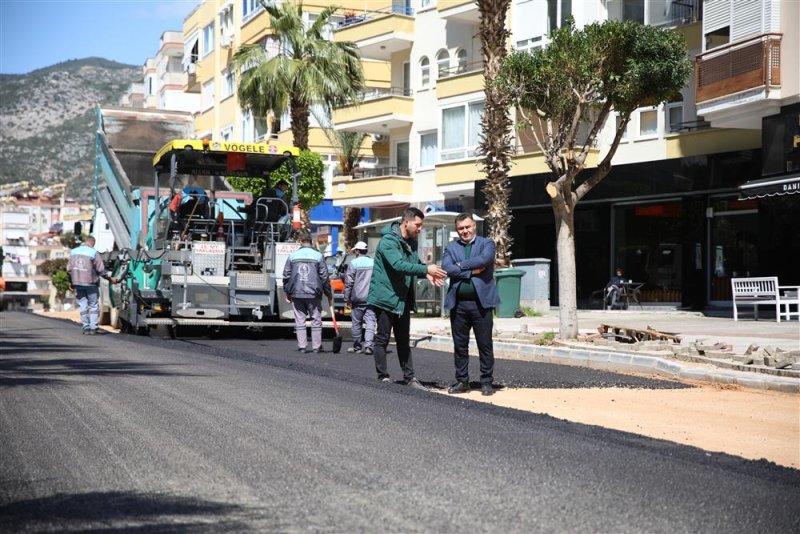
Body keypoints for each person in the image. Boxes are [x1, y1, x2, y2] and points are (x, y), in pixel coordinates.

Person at [367, 207, 446, 389]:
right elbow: (398, 265)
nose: (420, 229)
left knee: (404, 339)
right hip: (385, 297)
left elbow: (413, 264)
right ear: (406, 222)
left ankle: (410, 378)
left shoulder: (412, 242)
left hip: (402, 299)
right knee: (383, 338)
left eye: (421, 226)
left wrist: (425, 273)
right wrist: (426, 269)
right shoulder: (388, 242)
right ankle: (383, 377)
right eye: (417, 225)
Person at [442, 213, 500, 396]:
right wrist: (470, 271)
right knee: (460, 345)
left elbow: (484, 261)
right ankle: (462, 381)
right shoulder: (451, 247)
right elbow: (446, 268)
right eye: (461, 228)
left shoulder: (487, 243)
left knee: (485, 344)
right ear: (456, 229)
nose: (465, 231)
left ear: (474, 226)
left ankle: (486, 382)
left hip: (481, 304)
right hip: (458, 305)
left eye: (467, 227)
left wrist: (459, 265)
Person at [283, 234, 332, 353]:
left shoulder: (292, 256)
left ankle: (302, 347)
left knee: (300, 320)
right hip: (314, 293)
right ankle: (316, 347)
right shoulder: (318, 256)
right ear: (311, 242)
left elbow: (286, 275)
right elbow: (324, 276)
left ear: (300, 241)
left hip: (297, 293)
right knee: (316, 319)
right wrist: (328, 292)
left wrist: (288, 292)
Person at [66, 236, 115, 335]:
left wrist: (71, 282)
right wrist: (110, 278)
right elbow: (101, 270)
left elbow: (69, 269)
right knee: (93, 305)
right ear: (92, 243)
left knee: (83, 305)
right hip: (90, 283)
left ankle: (86, 327)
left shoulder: (73, 252)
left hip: (77, 283)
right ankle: (93, 328)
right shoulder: (93, 252)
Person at [344, 241, 376, 355]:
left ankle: (357, 347)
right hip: (371, 298)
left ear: (357, 251)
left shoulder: (353, 263)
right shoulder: (373, 263)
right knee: (370, 321)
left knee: (356, 323)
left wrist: (347, 299)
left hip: (357, 298)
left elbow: (349, 283)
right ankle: (369, 346)